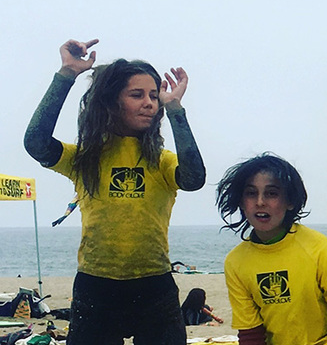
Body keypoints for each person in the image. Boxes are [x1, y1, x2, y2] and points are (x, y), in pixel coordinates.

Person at [24, 39, 205, 344]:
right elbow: (36, 143)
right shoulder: (86, 158)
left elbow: (194, 178)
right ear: (111, 102)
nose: (149, 103)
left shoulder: (161, 161)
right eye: (137, 95)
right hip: (96, 288)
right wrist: (66, 74)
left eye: (154, 96)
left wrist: (175, 110)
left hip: (154, 288)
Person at [219, 154, 327, 345]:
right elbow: (250, 333)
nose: (260, 202)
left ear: (290, 201)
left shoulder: (320, 249)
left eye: (271, 193)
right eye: (251, 193)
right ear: (240, 201)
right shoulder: (235, 262)